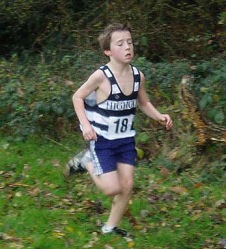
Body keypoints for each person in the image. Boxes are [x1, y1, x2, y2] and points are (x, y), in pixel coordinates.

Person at [64, 23, 173, 236]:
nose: (127, 47)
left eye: (130, 42)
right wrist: (85, 125)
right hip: (102, 139)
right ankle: (86, 161)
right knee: (111, 189)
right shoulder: (101, 76)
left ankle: (110, 228)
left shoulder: (137, 76)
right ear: (108, 51)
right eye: (120, 43)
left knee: (127, 184)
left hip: (125, 140)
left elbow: (143, 103)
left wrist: (159, 116)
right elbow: (77, 96)